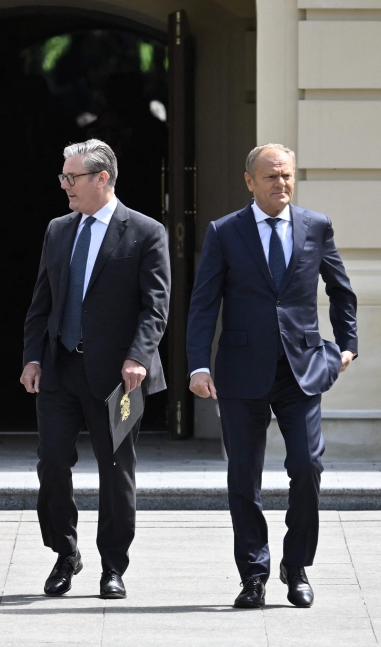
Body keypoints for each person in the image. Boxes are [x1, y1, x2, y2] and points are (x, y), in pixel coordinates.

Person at [187, 144, 357, 609]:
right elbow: (204, 303)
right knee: (244, 477)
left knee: (307, 467)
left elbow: (341, 290)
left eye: (287, 176)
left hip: (301, 371)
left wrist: (348, 345)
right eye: (271, 177)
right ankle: (254, 573)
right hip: (241, 372)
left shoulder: (315, 226)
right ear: (249, 181)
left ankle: (296, 565)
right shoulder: (225, 232)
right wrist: (198, 364)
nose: (281, 183)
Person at [20, 139, 170, 599]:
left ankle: (113, 566)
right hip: (60, 368)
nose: (65, 185)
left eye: (72, 177)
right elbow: (41, 301)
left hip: (118, 378)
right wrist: (31, 356)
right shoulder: (58, 229)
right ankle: (65, 555)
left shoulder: (145, 232)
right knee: (52, 465)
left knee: (115, 468)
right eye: (63, 177)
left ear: (102, 178)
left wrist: (137, 357)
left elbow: (155, 305)